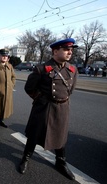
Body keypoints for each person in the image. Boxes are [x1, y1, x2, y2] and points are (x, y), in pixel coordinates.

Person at [18, 38, 78, 180]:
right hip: (44, 107)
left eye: (71, 49)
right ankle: (25, 157)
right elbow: (29, 88)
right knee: (35, 133)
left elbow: (71, 89)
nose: (70, 52)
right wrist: (41, 99)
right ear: (55, 51)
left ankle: (61, 162)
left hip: (62, 107)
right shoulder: (42, 69)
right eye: (66, 49)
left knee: (61, 135)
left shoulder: (72, 69)